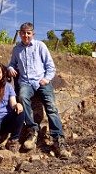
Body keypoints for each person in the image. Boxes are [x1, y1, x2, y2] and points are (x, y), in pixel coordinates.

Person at [7, 22, 71, 159]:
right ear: (20, 34)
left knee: (51, 107)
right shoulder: (16, 49)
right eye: (23, 33)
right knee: (22, 97)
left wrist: (47, 79)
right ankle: (33, 131)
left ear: (33, 34)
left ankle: (58, 140)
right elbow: (12, 63)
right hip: (25, 83)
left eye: (28, 33)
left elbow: (50, 66)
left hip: (41, 81)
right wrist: (10, 68)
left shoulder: (40, 46)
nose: (26, 35)